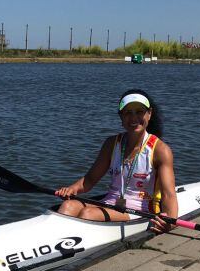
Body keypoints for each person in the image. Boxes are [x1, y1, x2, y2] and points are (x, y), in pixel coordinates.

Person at [55, 89, 177, 232]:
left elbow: (169, 194)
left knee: (88, 214)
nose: (133, 118)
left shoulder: (160, 150)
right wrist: (71, 189)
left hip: (140, 210)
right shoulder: (112, 144)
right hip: (111, 203)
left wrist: (171, 221)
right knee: (67, 206)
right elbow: (89, 180)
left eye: (139, 112)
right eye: (128, 113)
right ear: (121, 117)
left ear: (149, 114)